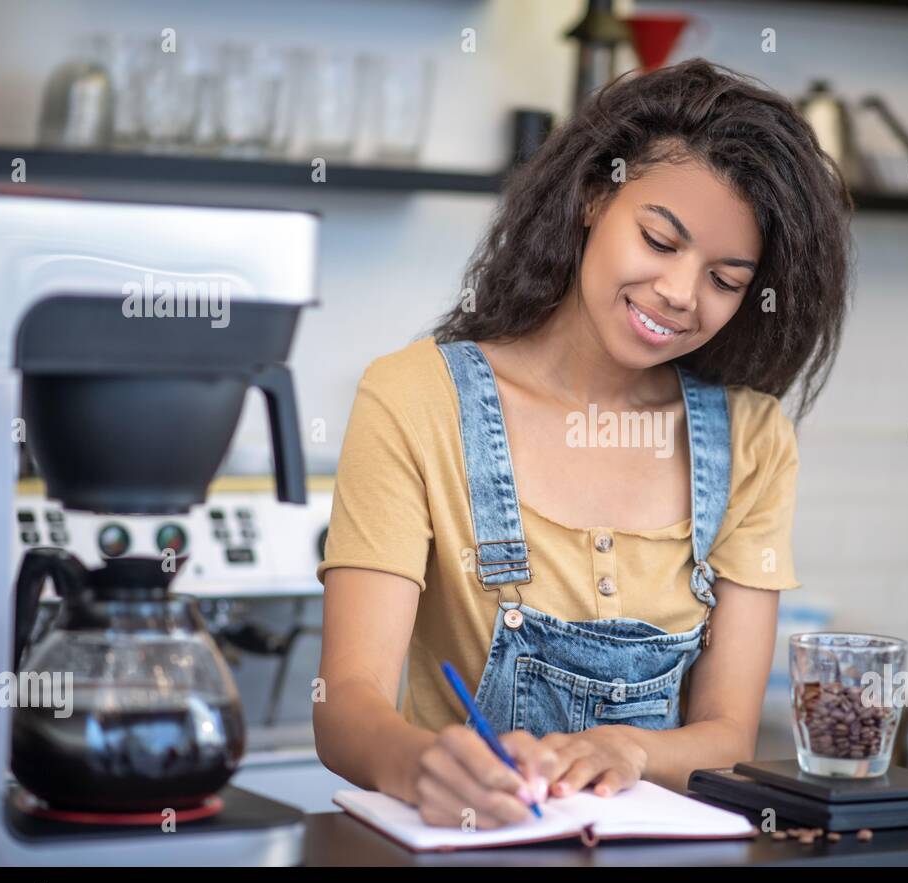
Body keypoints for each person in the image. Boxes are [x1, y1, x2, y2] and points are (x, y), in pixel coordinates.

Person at [314, 58, 852, 829]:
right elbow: (346, 704)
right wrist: (415, 762)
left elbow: (726, 734)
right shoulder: (414, 398)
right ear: (595, 194)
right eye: (661, 240)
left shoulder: (752, 442)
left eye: (725, 280)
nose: (679, 293)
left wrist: (627, 748)